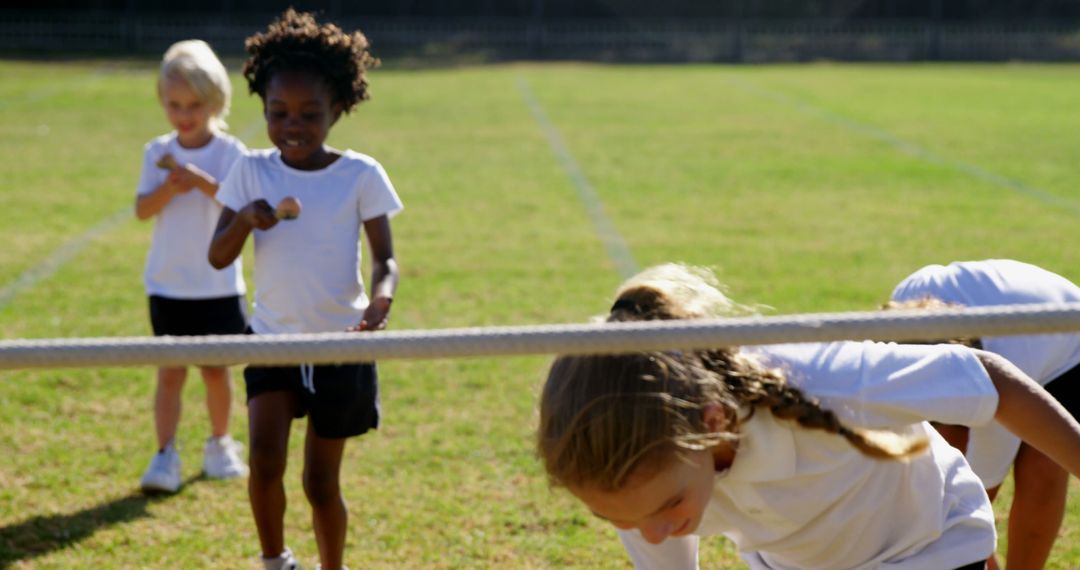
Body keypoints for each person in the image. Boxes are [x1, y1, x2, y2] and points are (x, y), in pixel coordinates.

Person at [537, 263, 1080, 570]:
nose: (653, 533)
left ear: (710, 422)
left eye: (669, 507)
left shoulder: (824, 380)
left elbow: (991, 381)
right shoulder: (643, 491)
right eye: (619, 521)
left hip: (931, 553)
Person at [208, 9, 401, 570]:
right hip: (270, 340)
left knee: (321, 482)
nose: (293, 125)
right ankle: (274, 560)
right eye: (278, 112)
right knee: (265, 462)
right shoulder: (250, 172)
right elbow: (217, 255)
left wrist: (382, 298)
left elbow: (385, 258)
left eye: (310, 113)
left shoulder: (361, 174)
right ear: (262, 109)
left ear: (338, 108)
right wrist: (244, 219)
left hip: (342, 345)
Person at [888, 259, 1080, 570]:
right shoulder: (888, 348)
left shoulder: (998, 386)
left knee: (1043, 470)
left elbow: (973, 500)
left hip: (1068, 334)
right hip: (1009, 314)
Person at [134, 39, 249, 494]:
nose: (184, 115)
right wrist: (169, 188)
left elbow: (237, 205)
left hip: (218, 286)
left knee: (216, 371)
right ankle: (165, 455)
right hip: (168, 286)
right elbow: (143, 209)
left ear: (215, 101)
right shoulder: (155, 152)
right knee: (170, 372)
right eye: (174, 105)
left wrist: (200, 182)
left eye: (194, 105)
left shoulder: (231, 152)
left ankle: (221, 443)